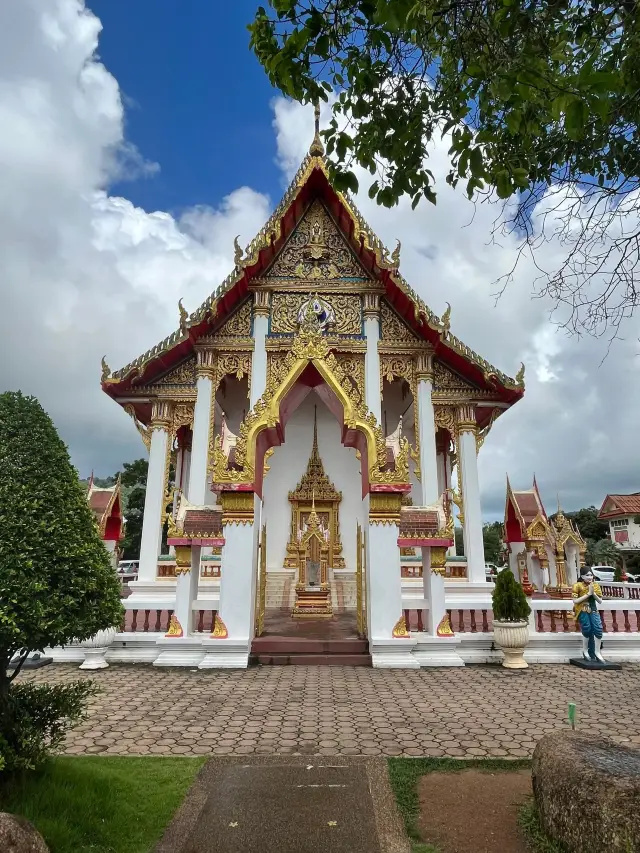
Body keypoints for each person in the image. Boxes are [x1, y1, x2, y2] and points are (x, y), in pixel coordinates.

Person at [572, 568, 605, 662]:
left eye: (591, 575)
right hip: (582, 609)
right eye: (587, 575)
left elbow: (600, 601)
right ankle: (585, 650)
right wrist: (588, 594)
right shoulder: (577, 586)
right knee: (587, 629)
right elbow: (575, 601)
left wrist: (593, 593)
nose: (590, 577)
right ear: (582, 576)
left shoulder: (595, 585)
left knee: (598, 629)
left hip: (593, 609)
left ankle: (597, 652)